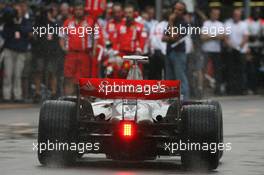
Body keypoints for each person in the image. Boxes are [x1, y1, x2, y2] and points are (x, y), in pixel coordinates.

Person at [60, 1, 102, 95]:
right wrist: (63, 48)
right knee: (69, 78)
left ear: (84, 10)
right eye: (77, 9)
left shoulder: (91, 22)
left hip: (85, 54)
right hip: (71, 54)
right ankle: (68, 101)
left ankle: (83, 101)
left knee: (84, 80)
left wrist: (94, 50)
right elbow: (62, 36)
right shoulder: (68, 22)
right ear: (73, 10)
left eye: (80, 9)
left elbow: (96, 37)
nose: (78, 11)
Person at [2, 3, 32, 102]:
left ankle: (17, 95)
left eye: (18, 10)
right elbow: (5, 34)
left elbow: (28, 30)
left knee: (18, 75)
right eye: (15, 10)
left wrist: (18, 26)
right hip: (9, 50)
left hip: (21, 51)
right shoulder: (9, 21)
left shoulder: (25, 21)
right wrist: (13, 24)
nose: (17, 12)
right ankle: (6, 95)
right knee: (8, 74)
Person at [32, 4, 60, 102]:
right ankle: (37, 93)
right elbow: (35, 33)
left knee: (52, 72)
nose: (56, 12)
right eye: (53, 11)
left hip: (52, 52)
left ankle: (53, 92)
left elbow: (59, 37)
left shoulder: (57, 23)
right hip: (40, 51)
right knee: (38, 71)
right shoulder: (41, 22)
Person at [162, 1, 189, 99]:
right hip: (169, 52)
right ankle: (171, 102)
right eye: (175, 9)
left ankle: (184, 101)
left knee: (180, 78)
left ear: (183, 12)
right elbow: (163, 37)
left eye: (180, 10)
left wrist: (171, 22)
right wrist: (170, 37)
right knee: (169, 79)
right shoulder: (171, 23)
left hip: (179, 53)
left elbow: (173, 37)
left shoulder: (184, 24)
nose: (176, 11)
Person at [113, 4, 147, 78]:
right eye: (126, 13)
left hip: (134, 56)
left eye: (130, 12)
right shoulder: (119, 26)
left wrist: (137, 54)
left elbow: (142, 42)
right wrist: (116, 54)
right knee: (118, 79)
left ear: (134, 14)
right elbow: (115, 41)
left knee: (135, 81)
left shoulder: (140, 27)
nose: (127, 15)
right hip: (121, 56)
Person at [224, 8, 249, 95]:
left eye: (238, 15)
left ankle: (241, 89)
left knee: (241, 71)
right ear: (232, 15)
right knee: (231, 71)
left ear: (240, 16)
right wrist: (231, 46)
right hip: (231, 51)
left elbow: (246, 37)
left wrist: (239, 46)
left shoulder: (244, 24)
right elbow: (226, 37)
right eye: (235, 15)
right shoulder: (228, 23)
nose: (236, 16)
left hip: (241, 51)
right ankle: (231, 90)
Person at [201, 8, 225, 95]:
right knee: (203, 70)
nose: (216, 15)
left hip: (216, 51)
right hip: (206, 50)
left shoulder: (220, 24)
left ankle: (217, 89)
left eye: (217, 14)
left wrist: (210, 36)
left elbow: (223, 37)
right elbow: (203, 37)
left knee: (218, 71)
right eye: (214, 14)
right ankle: (202, 89)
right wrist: (215, 36)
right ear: (210, 14)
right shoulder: (206, 23)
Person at [148, 11, 168, 80]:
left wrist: (152, 50)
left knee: (156, 75)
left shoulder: (156, 25)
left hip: (156, 52)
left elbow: (151, 38)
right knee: (166, 74)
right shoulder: (169, 25)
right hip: (164, 52)